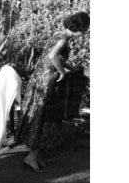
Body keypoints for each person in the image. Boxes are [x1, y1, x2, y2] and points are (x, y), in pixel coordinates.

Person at [17, 11, 90, 172]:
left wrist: (70, 67)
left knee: (39, 117)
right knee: (42, 118)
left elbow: (55, 58)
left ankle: (35, 155)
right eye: (85, 30)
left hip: (39, 77)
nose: (83, 34)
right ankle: (31, 157)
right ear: (80, 28)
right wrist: (63, 72)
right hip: (46, 81)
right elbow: (52, 56)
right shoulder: (63, 39)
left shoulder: (58, 33)